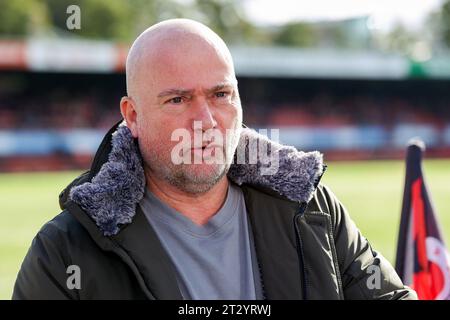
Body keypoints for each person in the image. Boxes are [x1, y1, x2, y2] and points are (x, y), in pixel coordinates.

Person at [13, 19, 417, 300]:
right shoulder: (66, 250)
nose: (205, 121)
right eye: (178, 99)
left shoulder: (311, 208)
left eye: (221, 95)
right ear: (132, 116)